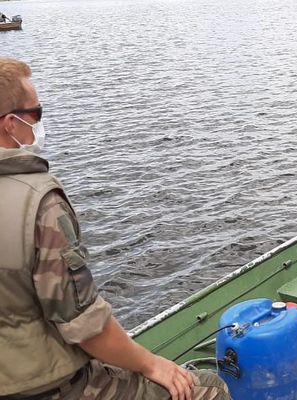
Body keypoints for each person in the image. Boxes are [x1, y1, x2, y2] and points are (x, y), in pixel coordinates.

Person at [0, 58, 230, 400]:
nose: (38, 122)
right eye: (36, 113)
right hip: (41, 387)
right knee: (206, 390)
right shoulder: (40, 204)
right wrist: (152, 365)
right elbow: (84, 326)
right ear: (10, 124)